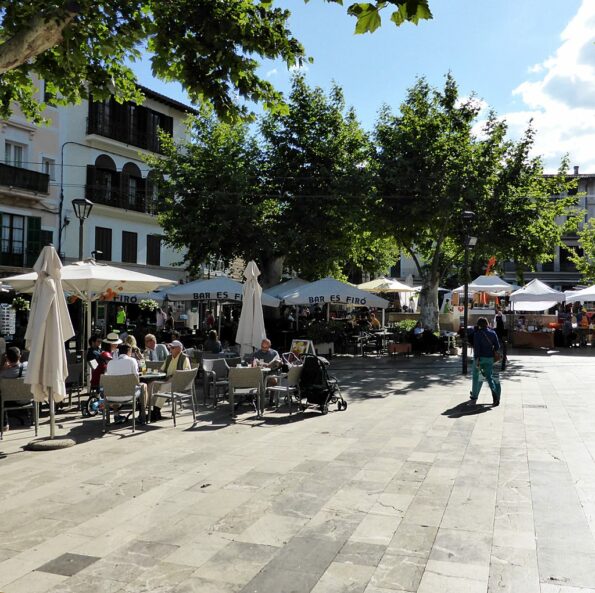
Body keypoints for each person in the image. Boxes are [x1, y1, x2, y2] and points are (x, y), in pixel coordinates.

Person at [105, 343, 148, 423]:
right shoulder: (132, 361)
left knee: (116, 386)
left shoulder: (110, 363)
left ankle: (116, 415)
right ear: (129, 351)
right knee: (144, 386)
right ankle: (142, 415)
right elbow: (136, 380)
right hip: (128, 395)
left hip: (111, 396)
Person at [151, 340, 191, 421]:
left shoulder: (184, 358)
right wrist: (157, 374)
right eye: (170, 348)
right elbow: (162, 370)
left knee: (165, 386)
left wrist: (173, 378)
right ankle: (153, 410)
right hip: (167, 380)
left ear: (179, 349)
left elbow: (186, 373)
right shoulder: (169, 357)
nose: (170, 349)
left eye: (172, 348)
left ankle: (156, 410)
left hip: (180, 383)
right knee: (153, 384)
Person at [470, 317, 501, 406]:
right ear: (487, 324)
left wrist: (477, 359)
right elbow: (497, 347)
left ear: (478, 325)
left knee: (476, 377)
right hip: (490, 358)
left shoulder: (477, 334)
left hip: (480, 358)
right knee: (489, 377)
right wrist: (492, 350)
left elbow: (477, 348)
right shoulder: (493, 333)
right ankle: (495, 395)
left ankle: (474, 396)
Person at [0, 347, 28, 430]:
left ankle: (4, 424)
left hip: (10, 400)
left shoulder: (4, 373)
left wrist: (2, 368)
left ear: (7, 358)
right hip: (29, 399)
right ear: (20, 356)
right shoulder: (28, 366)